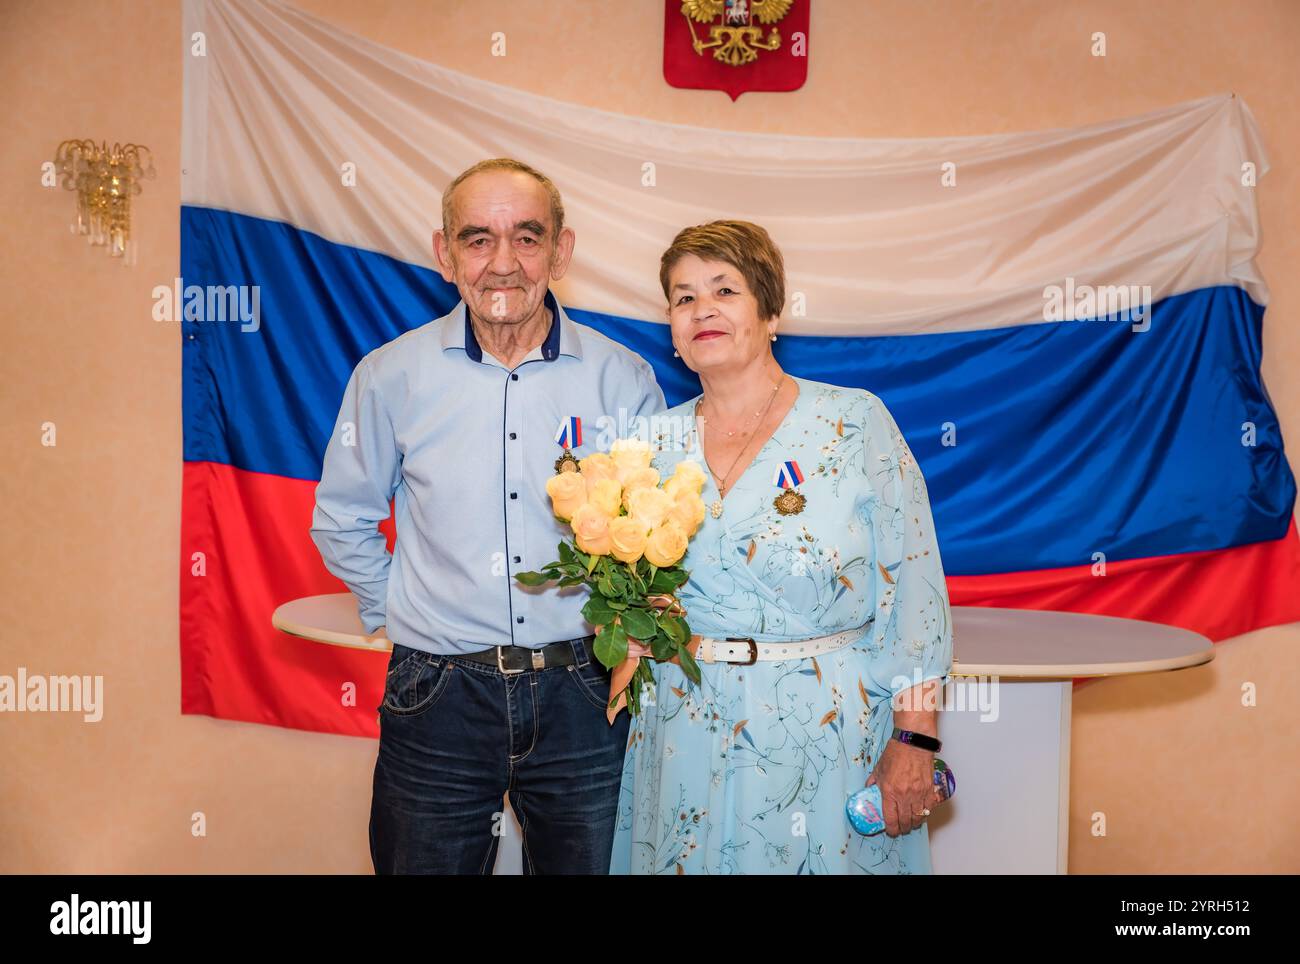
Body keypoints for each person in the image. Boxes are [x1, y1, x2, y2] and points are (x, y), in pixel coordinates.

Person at [311, 158, 666, 874]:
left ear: (561, 251)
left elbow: (657, 539)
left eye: (526, 238)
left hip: (586, 696)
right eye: (477, 239)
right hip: (436, 694)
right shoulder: (389, 376)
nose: (502, 263)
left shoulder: (620, 378)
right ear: (445, 255)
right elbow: (341, 516)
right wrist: (399, 617)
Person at [609, 220, 953, 874]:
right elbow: (630, 599)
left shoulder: (855, 424)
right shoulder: (648, 446)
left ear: (771, 311)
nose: (701, 309)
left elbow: (916, 596)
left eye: (724, 289)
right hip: (683, 730)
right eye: (683, 298)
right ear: (672, 329)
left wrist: (915, 738)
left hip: (826, 732)